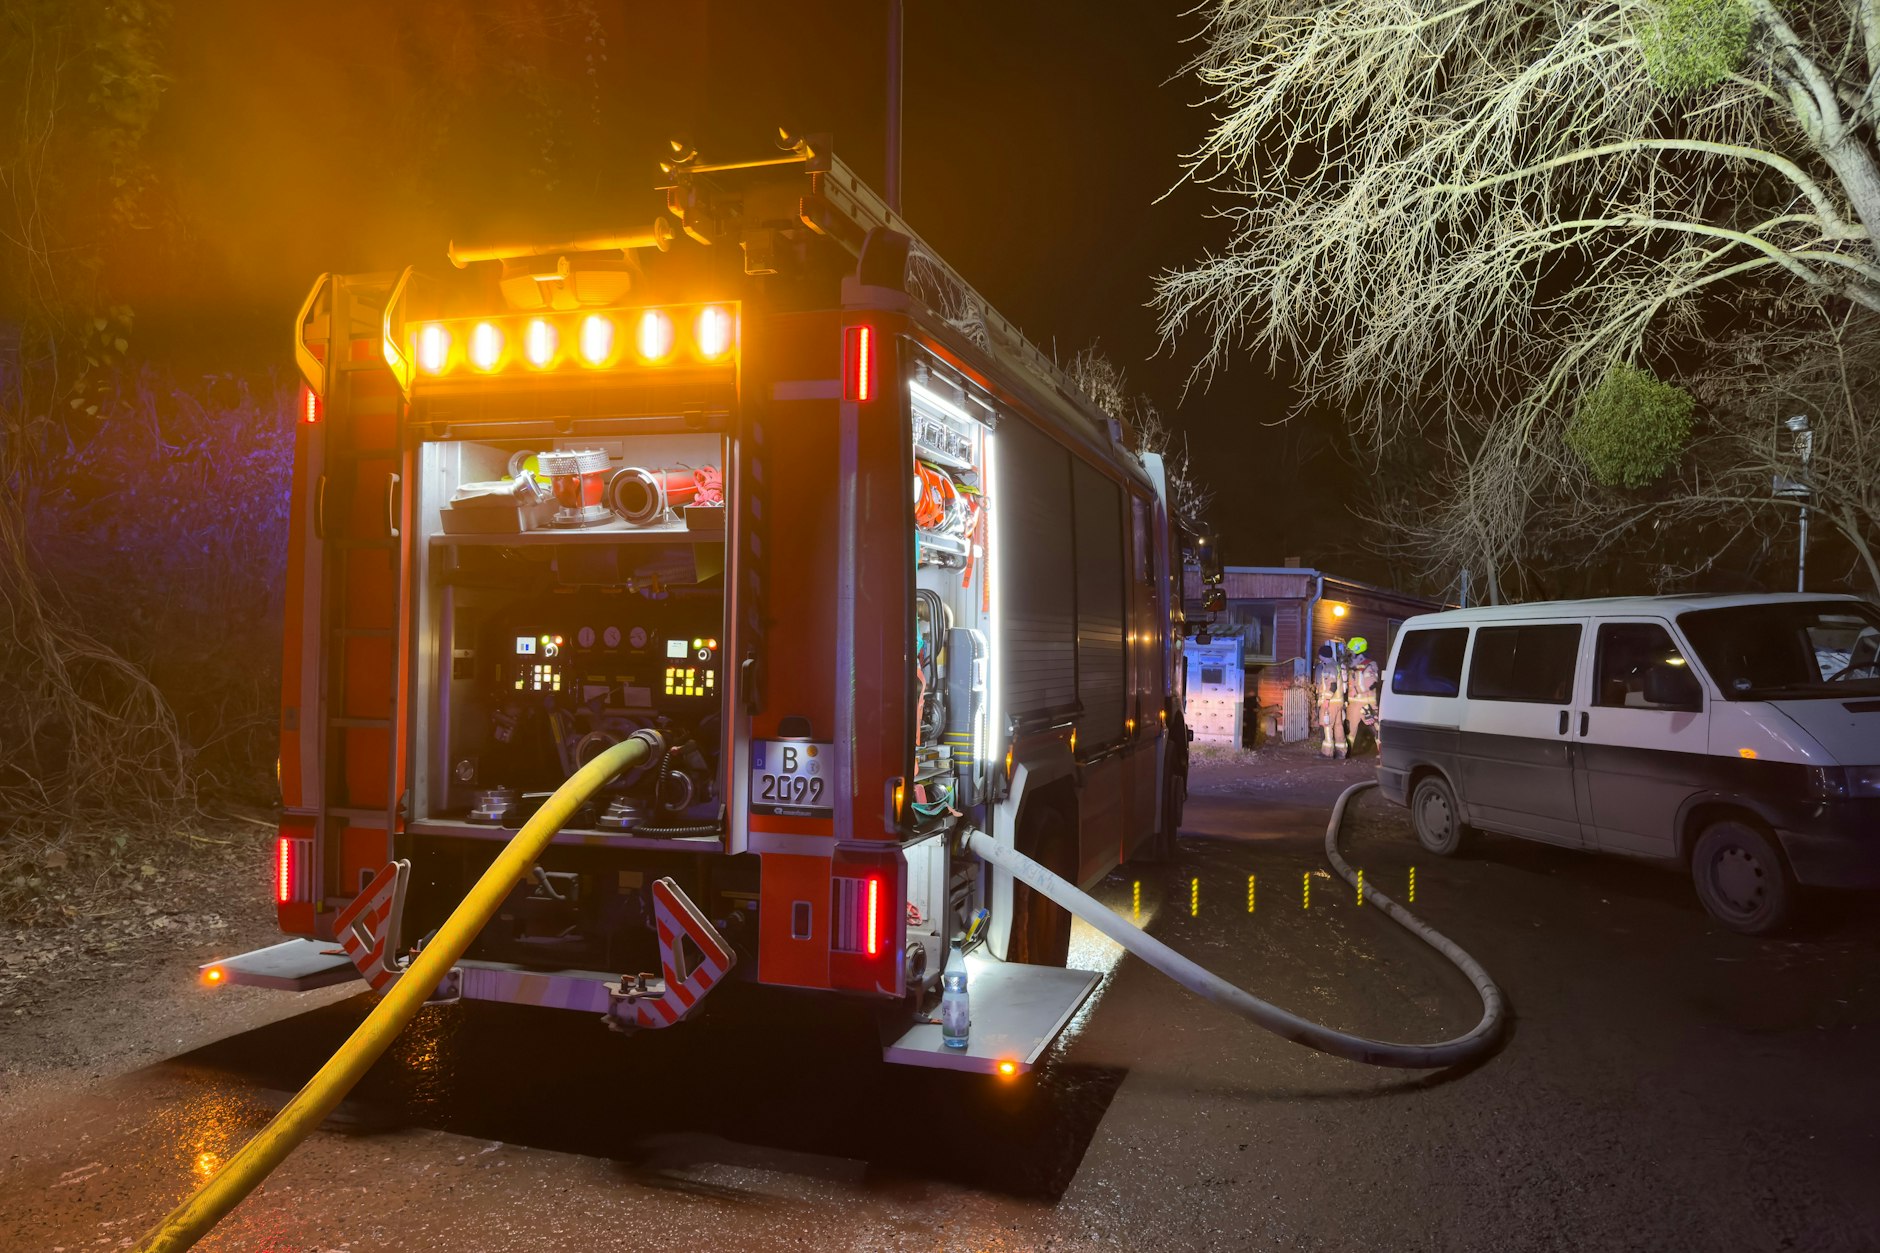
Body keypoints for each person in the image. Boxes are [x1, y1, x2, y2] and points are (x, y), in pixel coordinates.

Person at [1346, 636, 1381, 756]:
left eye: (1351, 653)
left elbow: (1370, 685)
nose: (1350, 656)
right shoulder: (1354, 666)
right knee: (1350, 730)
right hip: (1354, 703)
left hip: (1367, 703)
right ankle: (1346, 753)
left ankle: (1383, 754)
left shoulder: (1369, 665)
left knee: (1376, 728)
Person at [1314, 640, 1347, 759]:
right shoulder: (1336, 665)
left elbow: (1332, 685)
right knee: (1338, 726)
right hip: (1338, 701)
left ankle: (1327, 753)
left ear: (1322, 655)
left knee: (1327, 725)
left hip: (1331, 702)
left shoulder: (1329, 667)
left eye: (1319, 654)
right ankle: (1341, 751)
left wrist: (1326, 700)